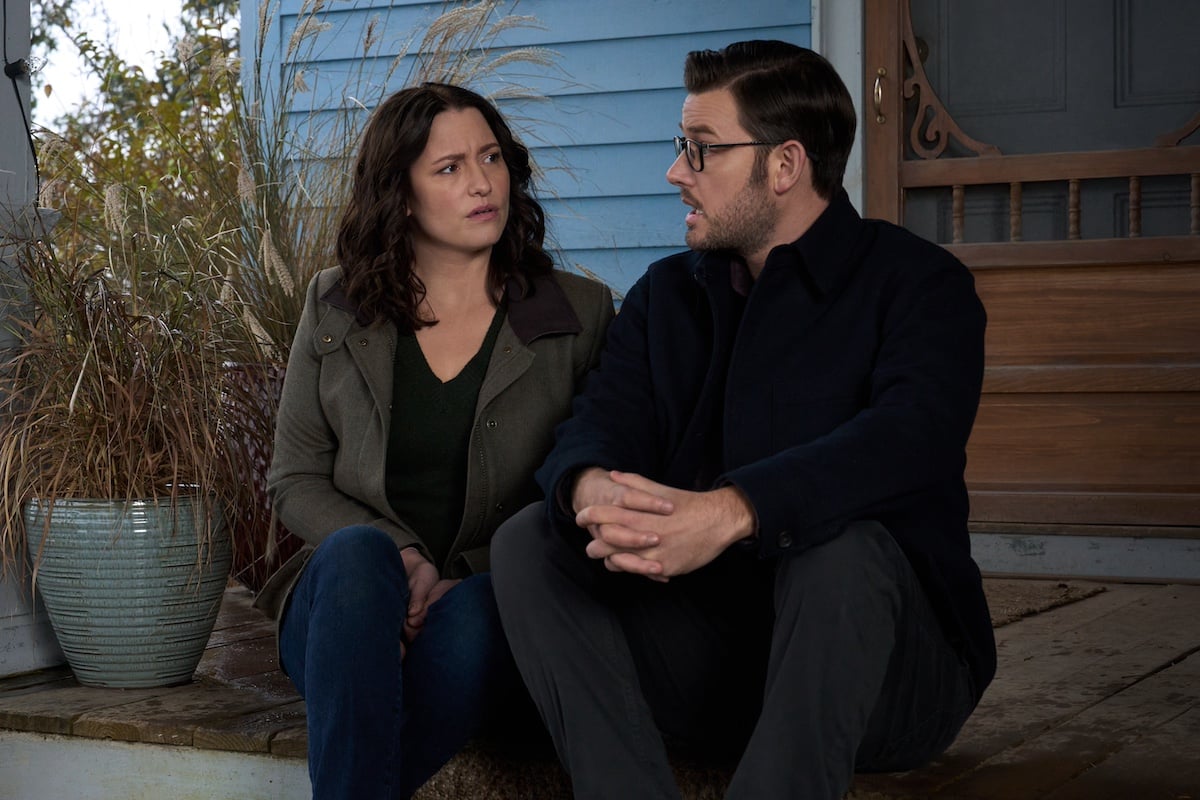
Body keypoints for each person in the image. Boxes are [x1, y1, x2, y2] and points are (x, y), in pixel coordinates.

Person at [490, 41, 996, 799]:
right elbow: (602, 419)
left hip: (888, 675)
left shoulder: (922, 287)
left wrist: (733, 512)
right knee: (531, 537)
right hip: (714, 667)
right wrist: (592, 488)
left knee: (842, 545)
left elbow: (907, 441)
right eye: (679, 147)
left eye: (702, 151)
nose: (675, 173)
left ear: (785, 165)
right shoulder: (667, 297)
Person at [254, 82, 614, 799]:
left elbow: (581, 483)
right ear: (400, 192)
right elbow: (293, 478)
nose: (482, 183)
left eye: (491, 158)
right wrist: (404, 558)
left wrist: (458, 580)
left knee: (482, 612)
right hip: (349, 612)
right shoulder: (335, 304)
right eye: (448, 168)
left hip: (489, 607)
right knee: (358, 555)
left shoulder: (577, 313)